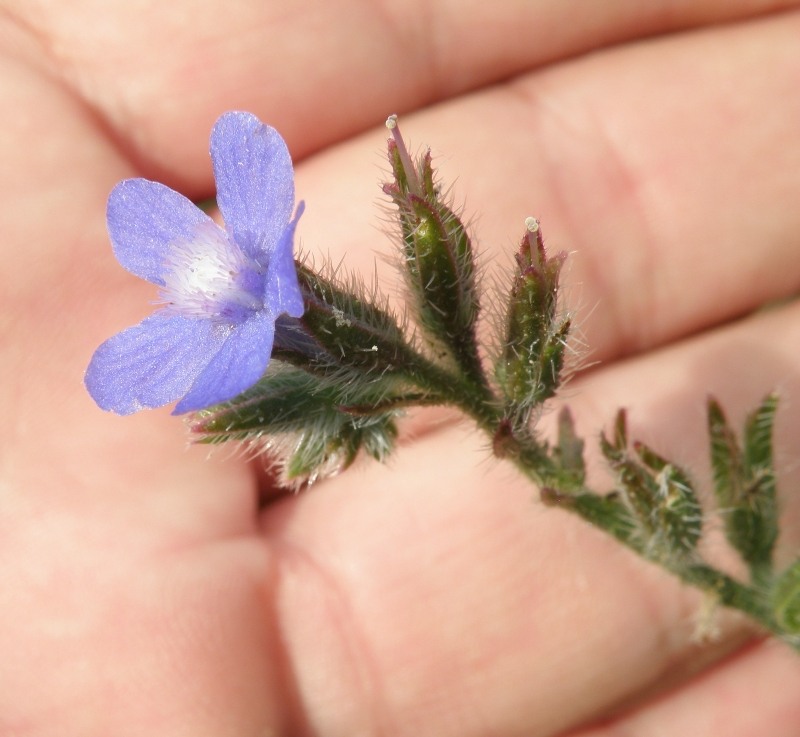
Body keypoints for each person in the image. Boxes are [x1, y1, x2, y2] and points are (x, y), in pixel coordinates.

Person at [3, 1, 800, 734]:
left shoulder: (269, 273)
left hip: (305, 319)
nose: (222, 277)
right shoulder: (222, 330)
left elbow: (277, 285)